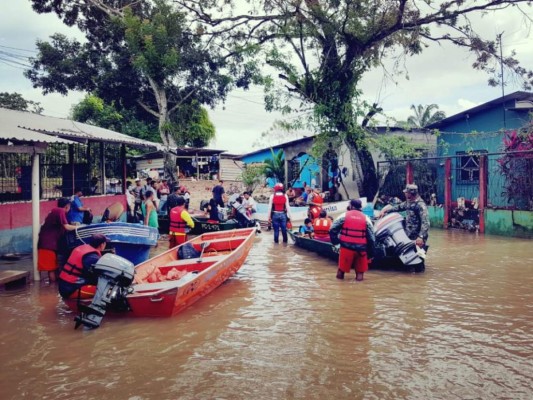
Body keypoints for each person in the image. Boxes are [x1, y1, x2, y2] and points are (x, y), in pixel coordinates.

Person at [330, 199, 375, 282]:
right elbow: (372, 238)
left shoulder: (343, 216)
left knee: (341, 271)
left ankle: (339, 288)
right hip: (361, 249)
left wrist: (336, 243)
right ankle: (359, 290)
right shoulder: (366, 219)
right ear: (360, 207)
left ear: (351, 206)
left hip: (346, 247)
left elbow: (332, 229)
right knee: (360, 273)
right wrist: (370, 253)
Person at [37, 198, 78, 282]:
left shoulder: (55, 211)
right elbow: (67, 227)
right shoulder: (60, 211)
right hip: (47, 245)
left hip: (50, 244)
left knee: (55, 268)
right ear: (67, 206)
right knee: (51, 269)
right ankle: (52, 290)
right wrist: (80, 227)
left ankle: (54, 289)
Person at [58, 234, 109, 299]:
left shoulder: (84, 249)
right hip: (71, 289)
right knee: (106, 291)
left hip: (64, 285)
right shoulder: (92, 257)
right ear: (102, 244)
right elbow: (98, 276)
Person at [379, 183, 429, 249]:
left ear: (410, 193)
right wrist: (385, 211)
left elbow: (425, 223)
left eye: (406, 192)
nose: (405, 194)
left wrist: (421, 237)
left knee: (417, 257)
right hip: (409, 236)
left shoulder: (420, 205)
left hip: (417, 238)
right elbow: (398, 207)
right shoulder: (409, 202)